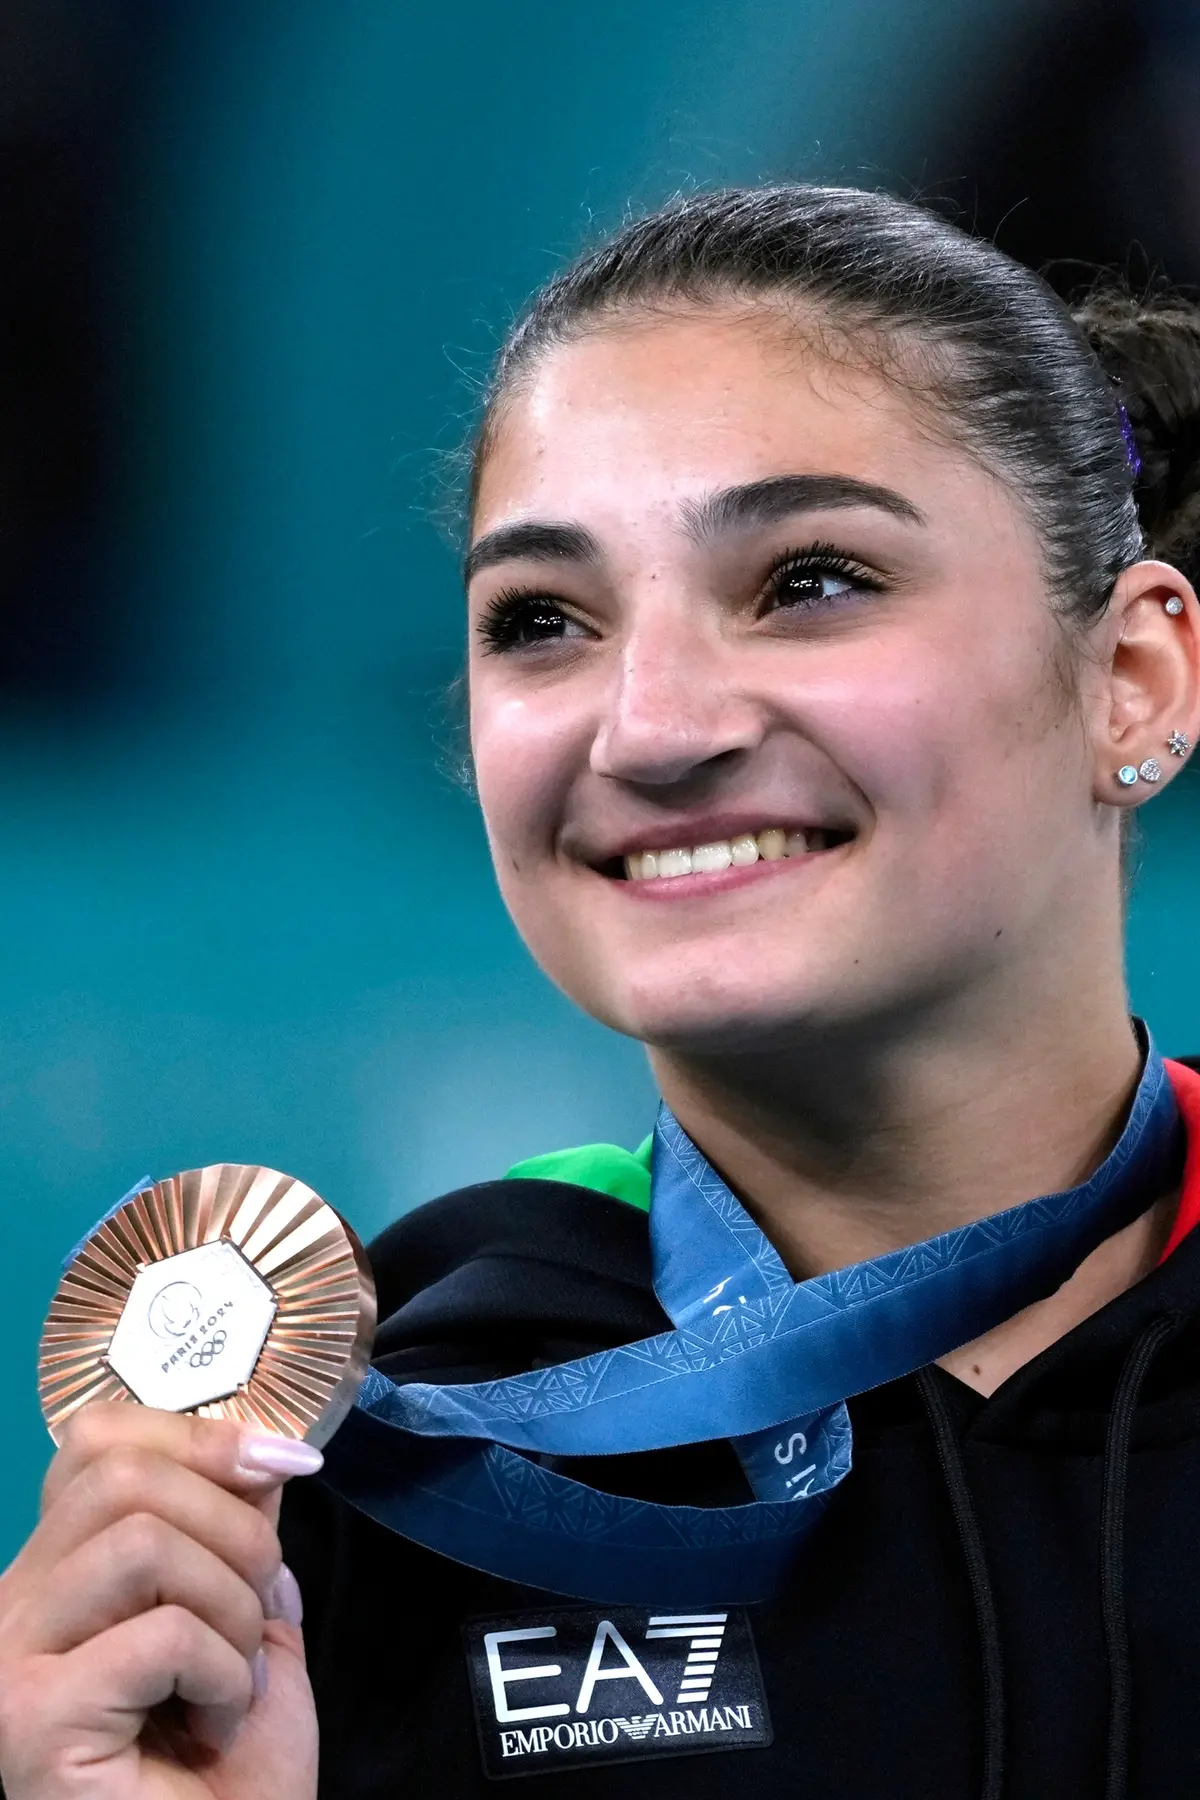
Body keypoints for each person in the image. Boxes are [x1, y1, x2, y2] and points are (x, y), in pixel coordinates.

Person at [4, 185, 1200, 1800]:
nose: (648, 728)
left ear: (1132, 677)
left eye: (811, 580)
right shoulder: (380, 1454)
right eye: (543, 621)